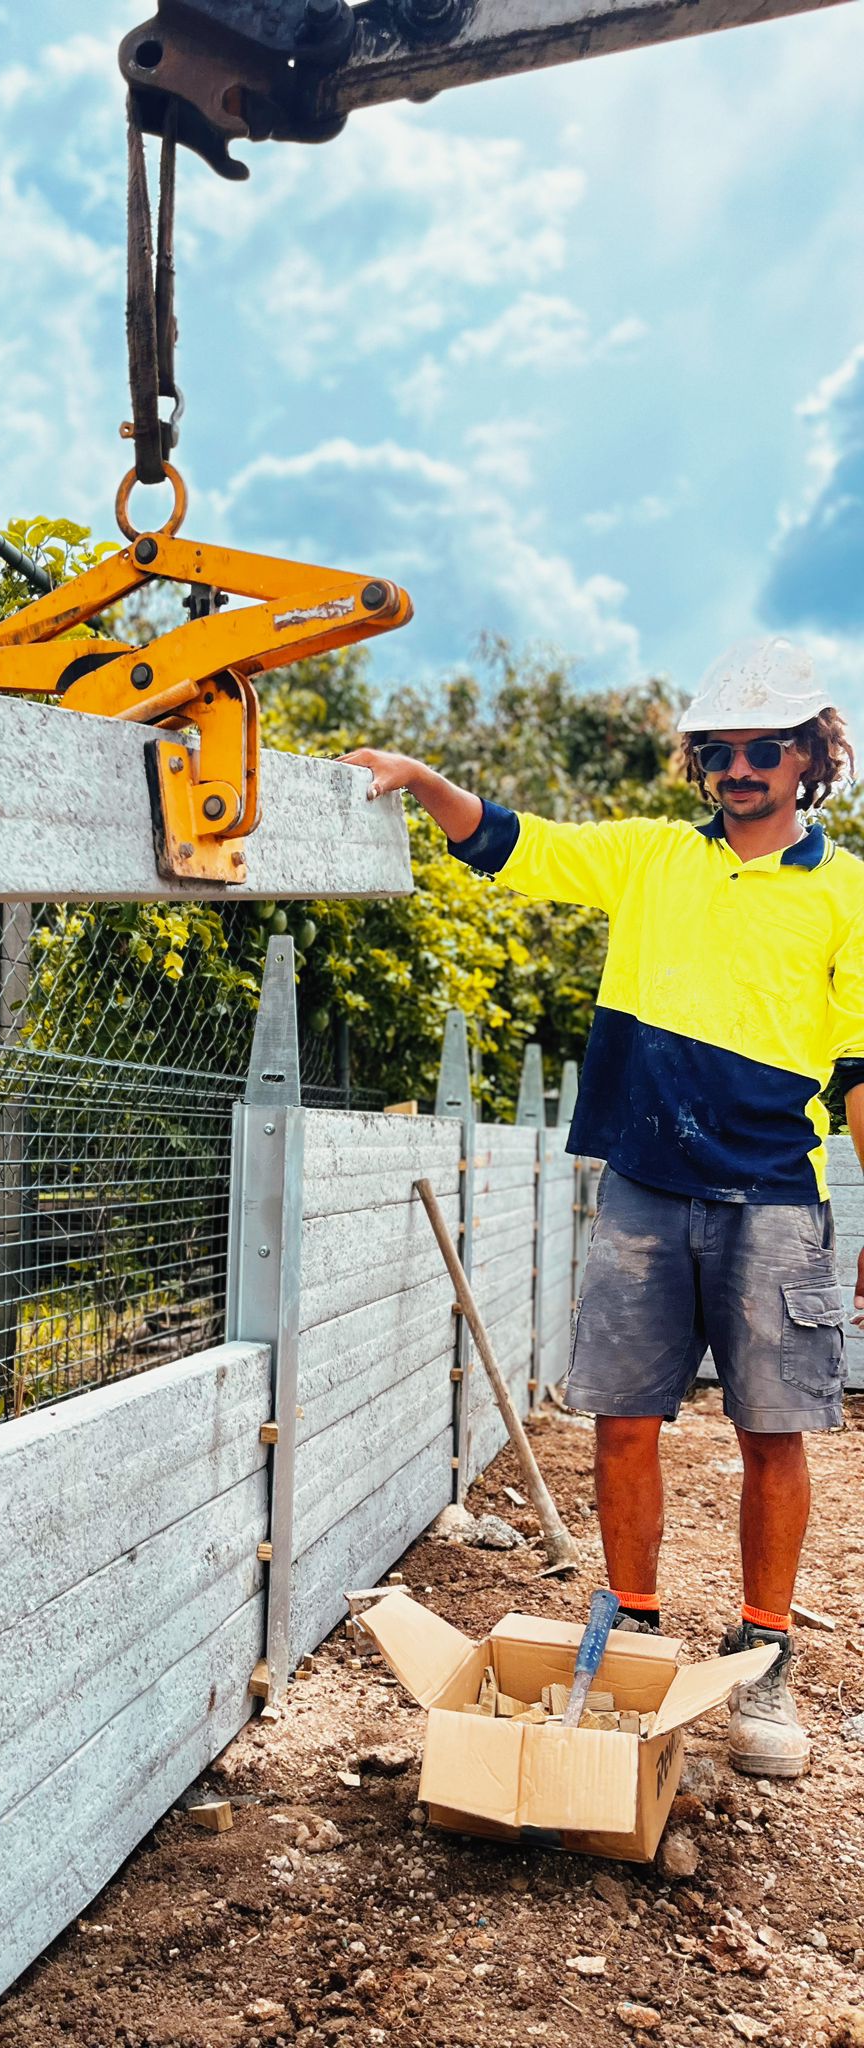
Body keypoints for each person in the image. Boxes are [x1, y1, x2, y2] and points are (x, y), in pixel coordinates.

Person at [343, 637, 861, 1777]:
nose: (738, 768)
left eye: (762, 748)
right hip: (641, 1185)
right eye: (719, 750)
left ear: (809, 756)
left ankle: (766, 1653)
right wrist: (429, 784)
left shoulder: (847, 890)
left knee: (775, 1432)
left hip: (776, 1193)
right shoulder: (647, 859)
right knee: (625, 1419)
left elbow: (861, 1065)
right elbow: (512, 844)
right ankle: (631, 1618)